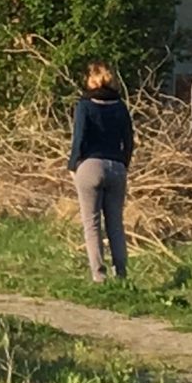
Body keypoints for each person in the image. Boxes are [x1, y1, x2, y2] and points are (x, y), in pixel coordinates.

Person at [67, 59, 134, 281]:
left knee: (92, 223)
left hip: (90, 166)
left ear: (92, 79)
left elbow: (79, 138)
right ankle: (121, 274)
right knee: (115, 223)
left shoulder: (85, 105)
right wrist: (124, 163)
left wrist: (73, 165)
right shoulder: (120, 106)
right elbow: (129, 140)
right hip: (116, 166)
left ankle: (99, 275)